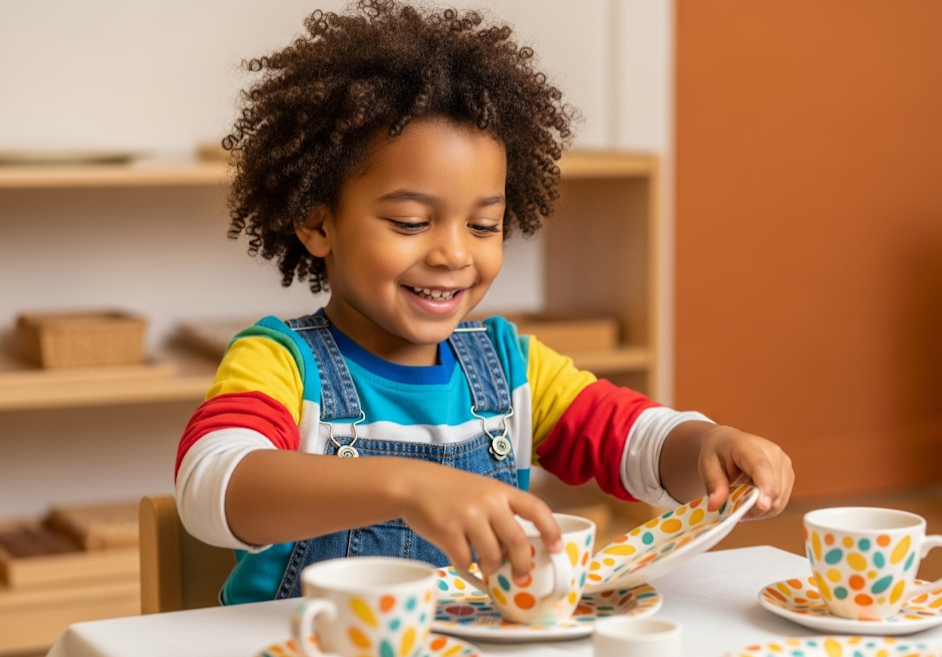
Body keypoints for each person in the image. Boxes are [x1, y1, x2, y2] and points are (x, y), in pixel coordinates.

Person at [175, 0, 794, 605]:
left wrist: (709, 446)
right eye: (412, 222)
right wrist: (408, 486)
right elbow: (213, 486)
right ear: (317, 224)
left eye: (482, 226)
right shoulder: (280, 362)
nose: (453, 255)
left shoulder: (511, 366)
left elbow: (638, 444)